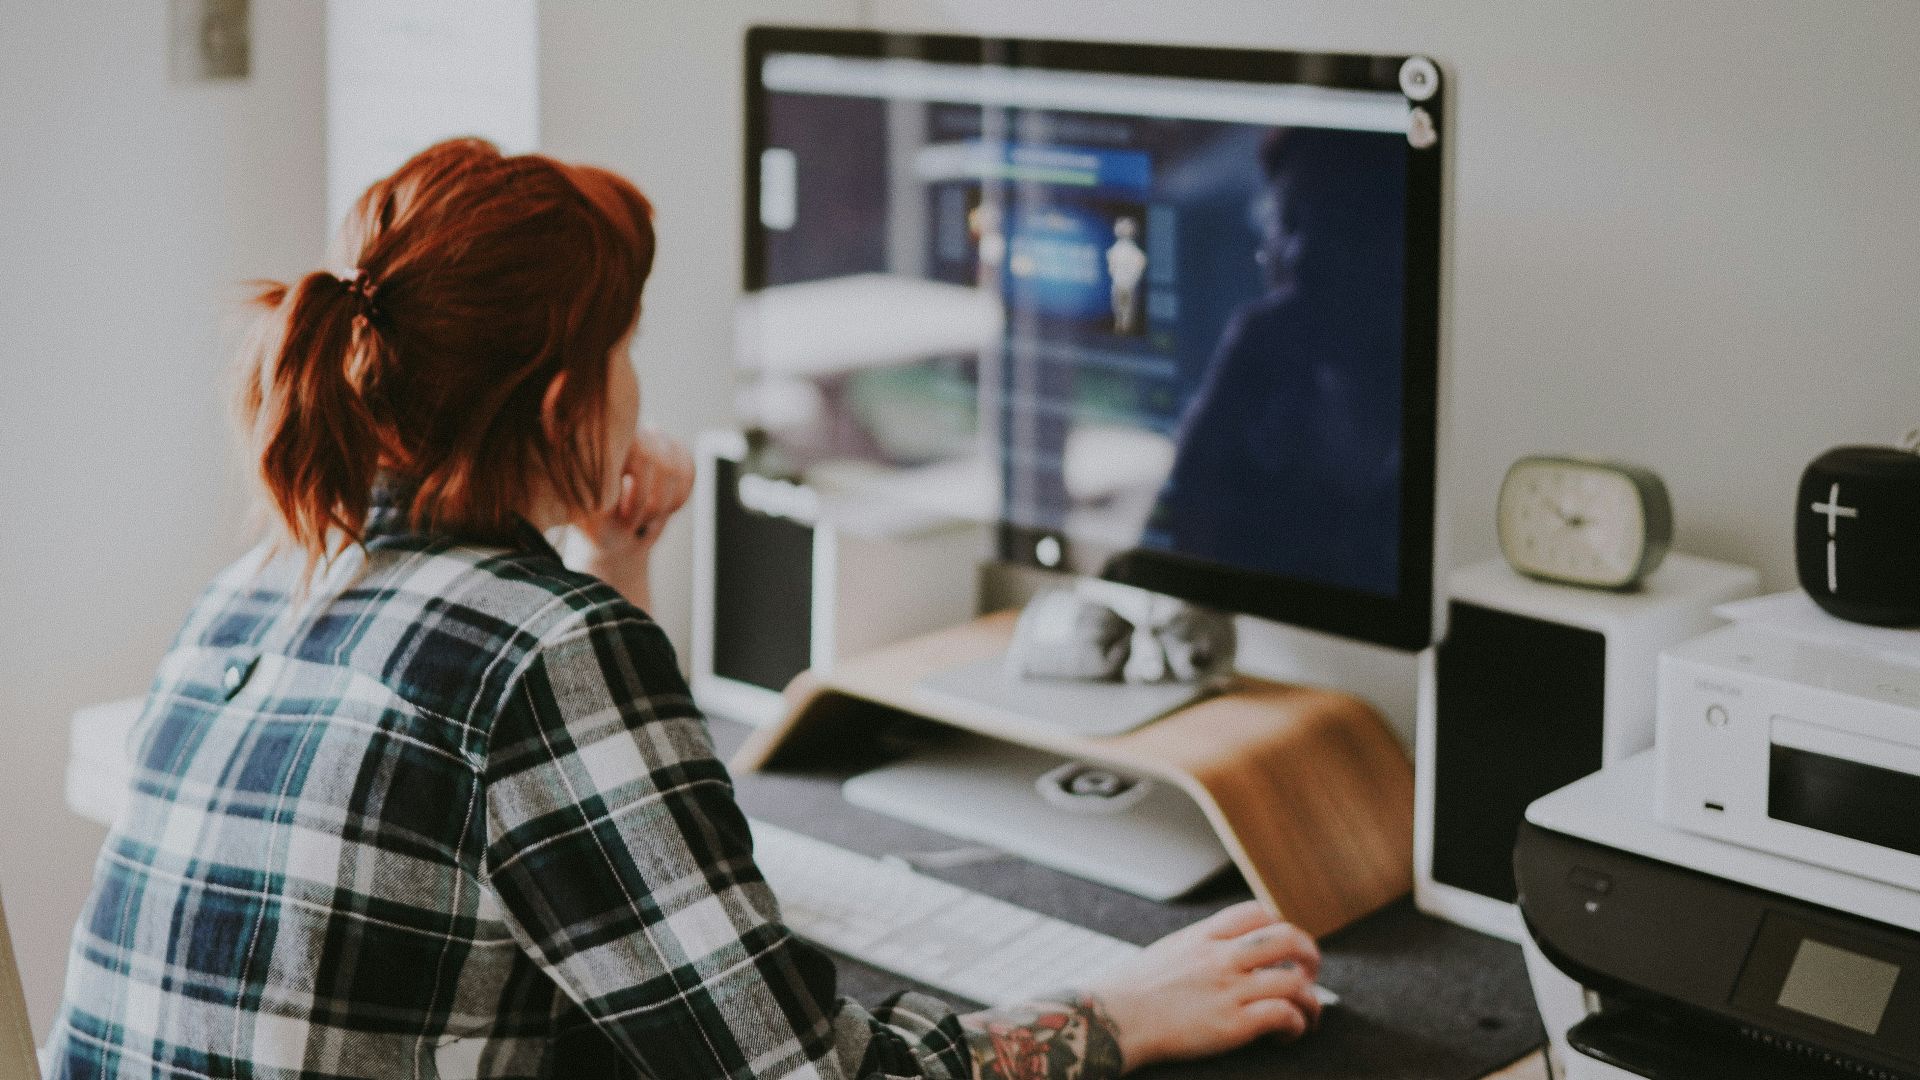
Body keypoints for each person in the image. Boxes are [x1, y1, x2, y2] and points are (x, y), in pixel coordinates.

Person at [43, 139, 1324, 1080]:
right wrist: (1124, 1010)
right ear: (564, 410)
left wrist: (610, 560)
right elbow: (808, 1077)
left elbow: (587, 865)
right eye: (626, 348)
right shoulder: (545, 650)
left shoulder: (259, 583)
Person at [1148, 128, 1407, 596]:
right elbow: (1170, 542)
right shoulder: (1260, 364)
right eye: (1286, 220)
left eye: (1334, 221)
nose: (1301, 253)